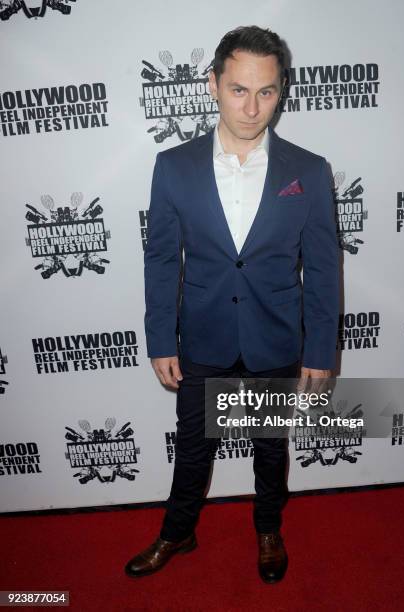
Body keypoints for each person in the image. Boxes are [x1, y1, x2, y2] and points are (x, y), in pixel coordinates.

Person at [125, 25, 339, 584]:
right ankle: (178, 531)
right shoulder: (173, 166)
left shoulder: (309, 171)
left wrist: (320, 346)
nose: (251, 106)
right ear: (214, 83)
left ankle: (268, 528)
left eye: (266, 91)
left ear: (282, 90)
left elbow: (320, 268)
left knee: (270, 446)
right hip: (203, 334)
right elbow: (161, 260)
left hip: (274, 337)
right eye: (239, 89)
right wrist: (159, 339)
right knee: (194, 448)